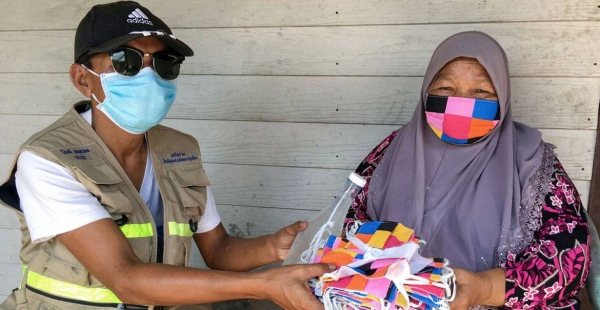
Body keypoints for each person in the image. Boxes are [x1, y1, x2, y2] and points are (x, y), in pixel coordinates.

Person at [0, 2, 332, 309]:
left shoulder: (180, 150)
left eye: (163, 63)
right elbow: (125, 279)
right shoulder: (49, 159)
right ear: (83, 79)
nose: (149, 76)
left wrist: (273, 247)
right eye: (126, 62)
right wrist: (262, 285)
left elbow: (218, 250)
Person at [345, 31, 591, 309]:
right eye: (445, 89)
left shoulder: (531, 159)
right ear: (426, 91)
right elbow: (348, 220)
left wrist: (485, 288)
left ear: (503, 96)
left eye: (481, 92)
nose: (460, 103)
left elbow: (571, 259)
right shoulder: (392, 150)